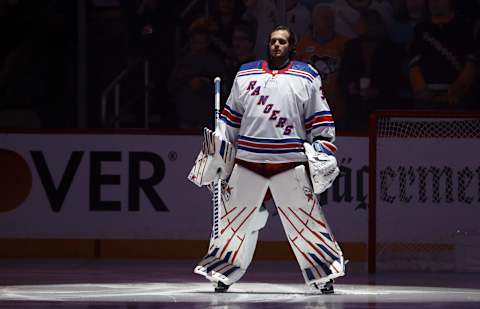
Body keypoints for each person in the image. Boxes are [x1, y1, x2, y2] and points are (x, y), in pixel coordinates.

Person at [188, 25, 345, 294]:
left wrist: (323, 149)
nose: (276, 46)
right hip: (248, 160)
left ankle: (324, 274)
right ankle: (221, 272)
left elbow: (320, 118)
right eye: (273, 41)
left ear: (292, 46)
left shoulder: (306, 76)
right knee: (233, 221)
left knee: (305, 221)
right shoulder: (245, 73)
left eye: (282, 42)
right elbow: (230, 119)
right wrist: (219, 148)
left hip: (290, 161)